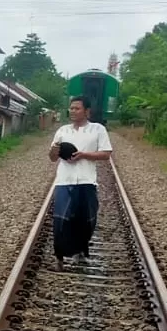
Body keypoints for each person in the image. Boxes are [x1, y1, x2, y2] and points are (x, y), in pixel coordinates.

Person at [48, 96, 113, 271]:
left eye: (77, 108)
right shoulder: (63, 131)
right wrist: (54, 152)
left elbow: (106, 154)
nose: (73, 111)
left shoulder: (97, 129)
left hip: (86, 180)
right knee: (61, 220)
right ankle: (59, 258)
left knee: (86, 220)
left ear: (87, 111)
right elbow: (53, 158)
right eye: (71, 108)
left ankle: (81, 251)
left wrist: (84, 155)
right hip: (64, 180)